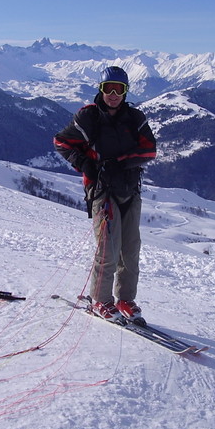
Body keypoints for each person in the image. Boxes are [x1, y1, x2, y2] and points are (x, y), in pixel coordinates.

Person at [54, 66, 156, 321]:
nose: (113, 94)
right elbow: (61, 142)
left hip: (129, 188)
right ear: (100, 89)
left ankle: (125, 299)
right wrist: (84, 163)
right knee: (107, 250)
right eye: (108, 88)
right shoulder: (89, 117)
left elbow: (149, 151)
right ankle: (100, 300)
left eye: (118, 89)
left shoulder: (134, 118)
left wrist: (120, 162)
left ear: (125, 91)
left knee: (131, 249)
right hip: (102, 190)